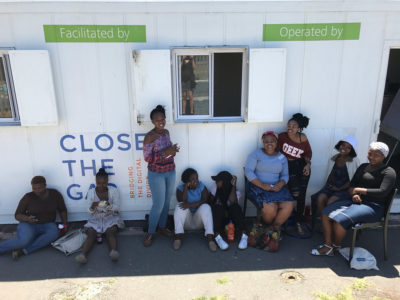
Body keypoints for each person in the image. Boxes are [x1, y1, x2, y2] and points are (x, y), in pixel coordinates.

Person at [311, 142, 396, 256]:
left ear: (383, 156)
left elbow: (382, 192)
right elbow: (352, 185)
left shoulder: (389, 172)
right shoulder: (363, 167)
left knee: (340, 219)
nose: (372, 157)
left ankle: (335, 247)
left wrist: (359, 190)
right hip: (355, 200)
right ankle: (328, 246)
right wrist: (353, 194)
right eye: (370, 153)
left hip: (373, 206)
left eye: (376, 155)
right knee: (326, 213)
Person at [245, 131, 294, 250]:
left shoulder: (281, 157)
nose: (269, 143)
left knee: (289, 205)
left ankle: (271, 230)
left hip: (276, 187)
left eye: (272, 141)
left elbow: (285, 175)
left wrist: (280, 184)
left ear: (276, 142)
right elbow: (248, 172)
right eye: (266, 141)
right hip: (258, 186)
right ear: (263, 142)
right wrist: (261, 185)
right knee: (271, 207)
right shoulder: (256, 154)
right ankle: (270, 230)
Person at [0, 176, 67, 260]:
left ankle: (24, 251)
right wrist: (27, 219)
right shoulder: (28, 197)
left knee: (53, 234)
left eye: (40, 188)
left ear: (45, 185)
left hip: (48, 223)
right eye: (34, 188)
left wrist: (65, 224)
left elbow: (62, 210)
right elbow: (17, 215)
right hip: (29, 224)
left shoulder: (54, 194)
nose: (37, 191)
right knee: (24, 241)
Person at [143, 105, 179, 247]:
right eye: (157, 120)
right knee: (158, 204)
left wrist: (173, 151)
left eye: (163, 119)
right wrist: (166, 152)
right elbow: (147, 158)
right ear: (152, 121)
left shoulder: (166, 132)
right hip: (156, 174)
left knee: (166, 202)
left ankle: (162, 227)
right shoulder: (149, 137)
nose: (161, 122)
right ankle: (151, 232)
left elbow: (168, 151)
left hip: (170, 171)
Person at [75, 168, 124, 264]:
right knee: (91, 234)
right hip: (95, 218)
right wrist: (93, 206)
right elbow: (89, 210)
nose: (101, 185)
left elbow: (117, 208)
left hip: (110, 216)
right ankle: (83, 255)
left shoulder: (113, 191)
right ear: (95, 182)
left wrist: (108, 205)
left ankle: (113, 252)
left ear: (108, 181)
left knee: (110, 232)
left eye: (104, 183)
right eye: (99, 183)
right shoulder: (91, 192)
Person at [278, 113, 312, 235]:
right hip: (288, 166)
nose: (290, 128)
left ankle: (299, 222)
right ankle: (284, 222)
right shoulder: (282, 137)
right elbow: (275, 151)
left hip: (301, 166)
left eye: (293, 126)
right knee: (294, 194)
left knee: (301, 195)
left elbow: (307, 154)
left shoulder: (302, 138)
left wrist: (308, 165)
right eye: (289, 125)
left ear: (299, 128)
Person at [312, 136, 360, 218]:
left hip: (345, 189)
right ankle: (323, 221)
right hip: (332, 187)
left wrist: (339, 189)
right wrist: (328, 186)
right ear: (339, 145)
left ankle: (330, 222)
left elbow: (354, 180)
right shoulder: (334, 158)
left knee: (331, 202)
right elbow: (330, 174)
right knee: (320, 199)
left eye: (348, 147)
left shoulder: (354, 161)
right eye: (343, 145)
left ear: (352, 150)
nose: (344, 148)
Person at [173, 168, 217, 252]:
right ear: (187, 181)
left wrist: (191, 204)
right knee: (179, 206)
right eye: (193, 179)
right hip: (186, 223)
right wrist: (186, 187)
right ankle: (178, 238)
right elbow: (183, 201)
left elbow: (205, 199)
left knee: (206, 207)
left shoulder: (201, 185)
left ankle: (210, 239)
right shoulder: (180, 188)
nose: (196, 181)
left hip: (199, 222)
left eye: (197, 178)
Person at [209, 171, 248, 250]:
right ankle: (217, 237)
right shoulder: (215, 188)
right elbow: (211, 204)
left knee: (235, 207)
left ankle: (244, 236)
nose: (216, 182)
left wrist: (233, 185)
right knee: (217, 207)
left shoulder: (235, 191)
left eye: (218, 181)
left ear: (224, 182)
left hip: (231, 222)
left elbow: (232, 201)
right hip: (219, 219)